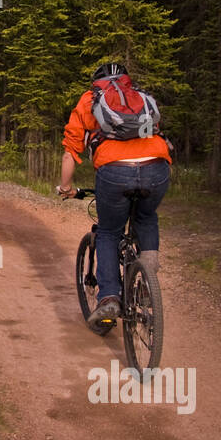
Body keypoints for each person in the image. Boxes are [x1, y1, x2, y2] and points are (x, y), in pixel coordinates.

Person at [58, 62, 172, 329]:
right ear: (124, 79)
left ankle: (109, 296)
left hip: (114, 172)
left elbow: (70, 150)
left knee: (109, 231)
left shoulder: (89, 100)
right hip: (157, 168)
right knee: (146, 215)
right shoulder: (139, 96)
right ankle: (147, 276)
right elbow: (158, 134)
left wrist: (65, 187)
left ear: (96, 83)